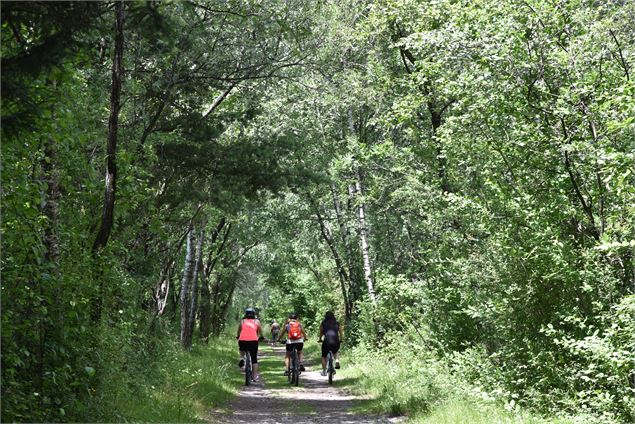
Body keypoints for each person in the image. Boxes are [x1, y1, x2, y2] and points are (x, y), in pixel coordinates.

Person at [236, 307, 262, 381]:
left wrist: (238, 336)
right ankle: (254, 376)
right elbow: (260, 331)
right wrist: (262, 337)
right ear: (254, 314)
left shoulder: (242, 321)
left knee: (242, 349)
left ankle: (242, 358)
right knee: (254, 358)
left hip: (242, 340)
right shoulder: (257, 321)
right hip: (253, 341)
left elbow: (239, 330)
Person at [318, 311, 343, 376]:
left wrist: (320, 339)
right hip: (335, 341)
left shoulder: (323, 323)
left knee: (323, 356)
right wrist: (341, 339)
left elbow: (321, 332)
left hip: (327, 341)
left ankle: (324, 371)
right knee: (336, 351)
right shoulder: (337, 323)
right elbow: (340, 332)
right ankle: (337, 360)